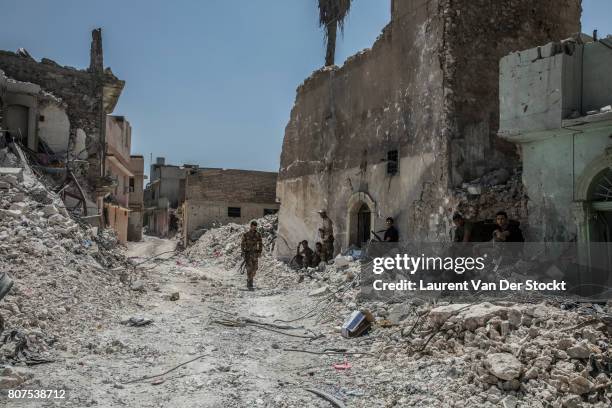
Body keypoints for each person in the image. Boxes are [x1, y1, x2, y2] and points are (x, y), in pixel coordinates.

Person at [241, 220, 263, 290]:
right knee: (249, 269)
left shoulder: (258, 234)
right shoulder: (246, 234)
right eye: (253, 227)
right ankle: (250, 281)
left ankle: (250, 279)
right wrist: (243, 252)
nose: (254, 228)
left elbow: (260, 244)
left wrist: (259, 252)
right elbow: (242, 244)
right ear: (250, 226)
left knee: (255, 268)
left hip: (255, 254)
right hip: (248, 254)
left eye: (255, 227)